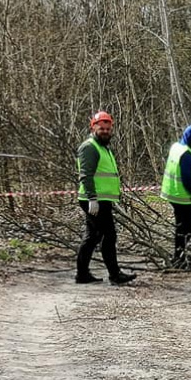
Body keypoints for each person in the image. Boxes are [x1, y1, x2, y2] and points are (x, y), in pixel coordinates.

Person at [75, 110, 137, 286]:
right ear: (93, 127)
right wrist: (92, 198)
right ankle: (114, 274)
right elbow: (86, 175)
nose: (106, 131)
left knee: (93, 237)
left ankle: (82, 274)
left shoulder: (103, 147)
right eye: (102, 128)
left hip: (102, 200)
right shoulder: (89, 147)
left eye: (108, 129)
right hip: (94, 200)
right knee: (109, 235)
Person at [159, 124, 191, 270]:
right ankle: (179, 257)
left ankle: (179, 256)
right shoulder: (186, 154)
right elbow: (186, 179)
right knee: (189, 225)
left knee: (181, 226)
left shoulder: (176, 147)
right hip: (181, 196)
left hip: (172, 192)